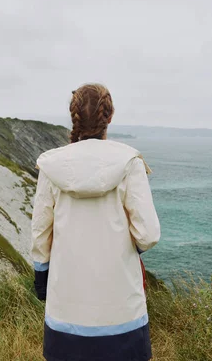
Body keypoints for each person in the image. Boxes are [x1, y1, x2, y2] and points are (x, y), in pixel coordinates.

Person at [31, 83, 161, 361]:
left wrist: (41, 280)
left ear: (73, 117)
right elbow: (148, 234)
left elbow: (40, 232)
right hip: (121, 307)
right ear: (109, 117)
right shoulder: (129, 162)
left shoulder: (53, 166)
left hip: (66, 305)